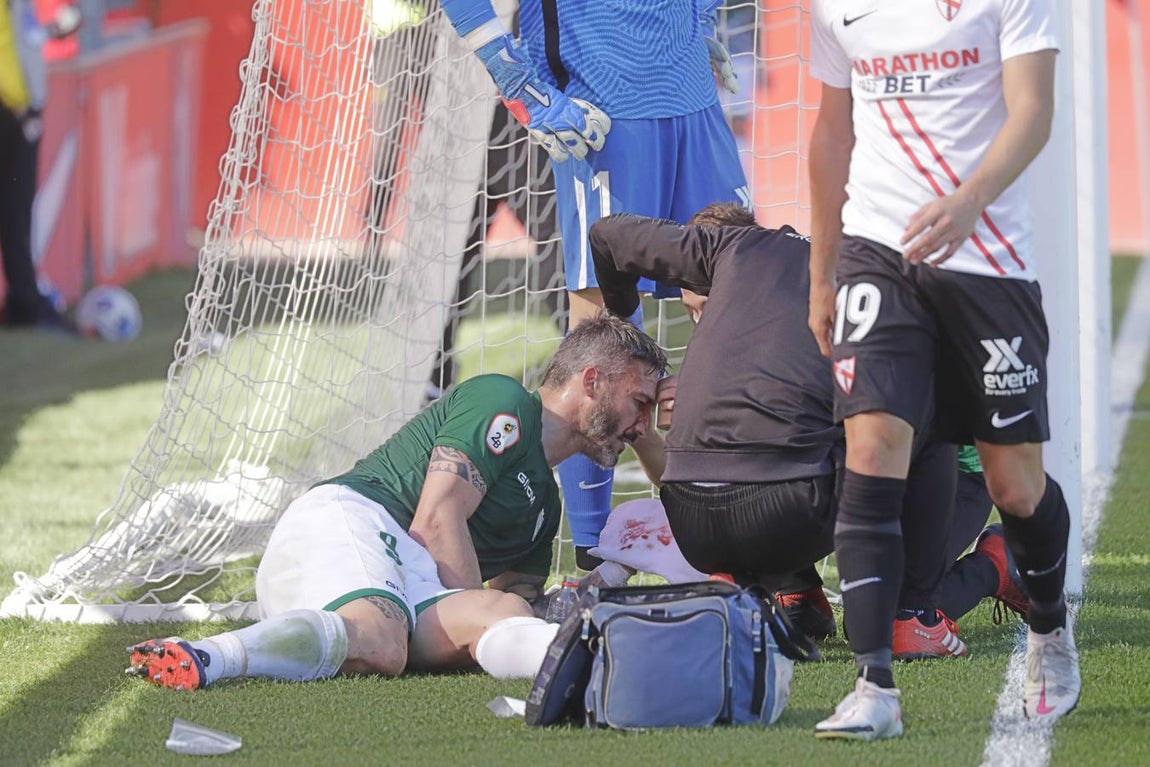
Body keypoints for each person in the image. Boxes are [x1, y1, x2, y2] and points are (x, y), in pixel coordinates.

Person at [126, 313, 670, 690]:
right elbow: (436, 521)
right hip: (352, 523)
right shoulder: (504, 401)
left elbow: (523, 610)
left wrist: (615, 574)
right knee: (387, 639)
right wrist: (467, 614)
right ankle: (210, 655)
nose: (643, 424)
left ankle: (612, 666)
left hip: (406, 583)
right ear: (592, 381)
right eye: (639, 402)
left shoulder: (545, 507)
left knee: (498, 610)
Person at [807, 0, 1078, 739]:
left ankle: (1050, 630)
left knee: (1013, 485)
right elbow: (832, 133)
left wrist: (970, 201)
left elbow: (1033, 111)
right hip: (877, 253)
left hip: (987, 261)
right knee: (871, 445)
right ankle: (873, 684)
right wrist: (821, 271)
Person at [589, 204, 1027, 650]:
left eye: (707, 306)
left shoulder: (853, 282)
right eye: (694, 312)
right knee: (778, 455)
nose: (705, 324)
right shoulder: (762, 290)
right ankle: (801, 593)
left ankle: (990, 566)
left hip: (955, 465)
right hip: (790, 499)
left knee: (876, 606)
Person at [439, 0, 751, 571]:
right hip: (604, 111)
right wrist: (523, 91)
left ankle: (750, 531)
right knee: (605, 334)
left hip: (695, 102)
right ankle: (591, 545)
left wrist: (702, 24)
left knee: (734, 300)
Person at [0, 0, 78, 331]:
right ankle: (25, 302)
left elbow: (22, 35)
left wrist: (52, 29)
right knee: (15, 209)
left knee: (16, 210)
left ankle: (24, 299)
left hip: (18, 106)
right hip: (12, 108)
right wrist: (18, 105)